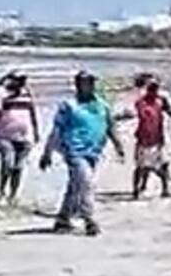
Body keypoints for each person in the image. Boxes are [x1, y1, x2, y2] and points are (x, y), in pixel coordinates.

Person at [40, 70, 125, 236]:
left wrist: (118, 145)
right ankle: (89, 219)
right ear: (78, 85)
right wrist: (47, 152)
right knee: (87, 183)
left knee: (76, 186)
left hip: (93, 151)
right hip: (74, 151)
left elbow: (110, 126)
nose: (89, 86)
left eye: (91, 83)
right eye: (85, 83)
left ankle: (63, 219)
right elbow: (56, 130)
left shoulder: (102, 105)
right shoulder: (68, 106)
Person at [0, 72, 40, 207]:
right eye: (18, 80)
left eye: (23, 80)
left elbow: (33, 112)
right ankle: (1, 190)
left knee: (19, 167)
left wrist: (36, 132)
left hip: (25, 137)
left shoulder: (27, 94)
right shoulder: (1, 94)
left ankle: (13, 194)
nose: (22, 82)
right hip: (5, 136)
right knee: (8, 164)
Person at [132, 77, 171, 199]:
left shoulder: (161, 101)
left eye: (156, 88)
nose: (154, 91)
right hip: (144, 139)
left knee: (163, 164)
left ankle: (165, 189)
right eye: (152, 88)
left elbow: (169, 111)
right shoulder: (141, 102)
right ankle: (137, 189)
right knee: (141, 167)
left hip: (158, 138)